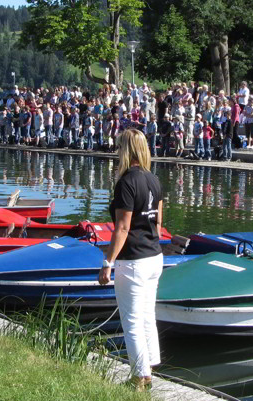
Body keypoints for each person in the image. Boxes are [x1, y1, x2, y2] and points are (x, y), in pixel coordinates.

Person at [98, 129, 164, 391]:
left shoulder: (126, 182)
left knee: (132, 320)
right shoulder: (154, 179)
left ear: (125, 150)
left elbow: (122, 228)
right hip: (154, 256)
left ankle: (139, 377)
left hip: (133, 260)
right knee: (147, 315)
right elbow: (158, 223)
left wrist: (108, 262)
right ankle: (151, 367)